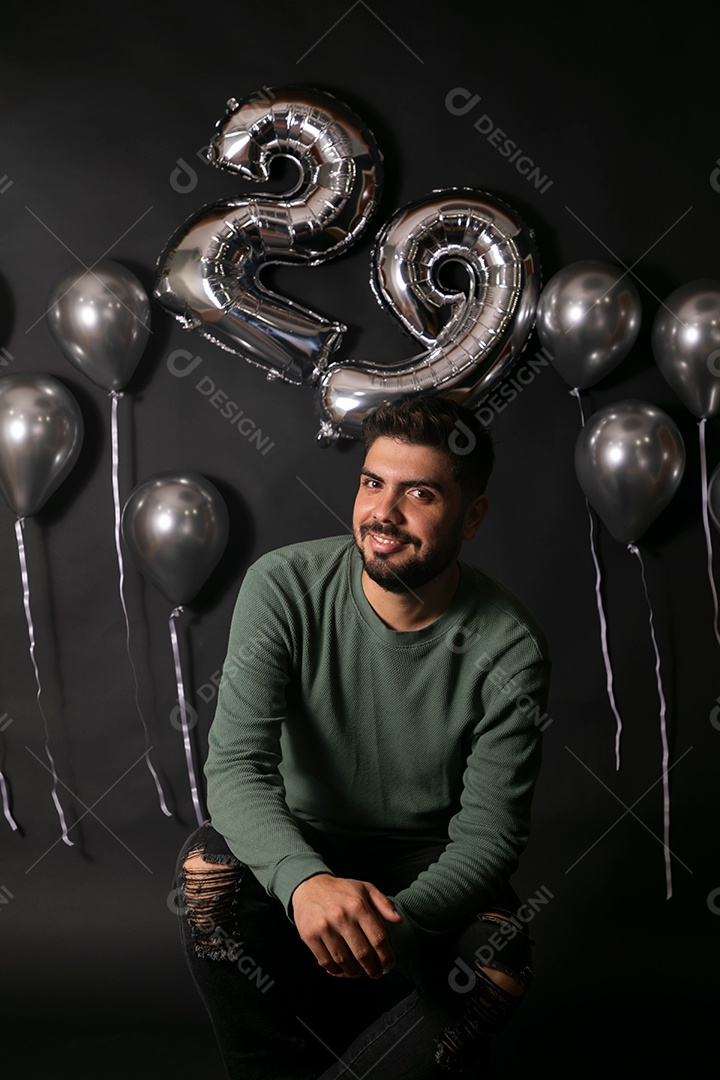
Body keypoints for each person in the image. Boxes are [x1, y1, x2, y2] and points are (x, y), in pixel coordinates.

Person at [173, 395, 551, 1079]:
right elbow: (235, 768)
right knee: (209, 872)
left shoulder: (510, 645)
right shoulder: (283, 587)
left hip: (422, 871)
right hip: (303, 845)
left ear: (471, 517)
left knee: (499, 960)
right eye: (372, 482)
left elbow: (490, 839)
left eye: (421, 494)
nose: (384, 512)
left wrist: (384, 925)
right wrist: (305, 882)